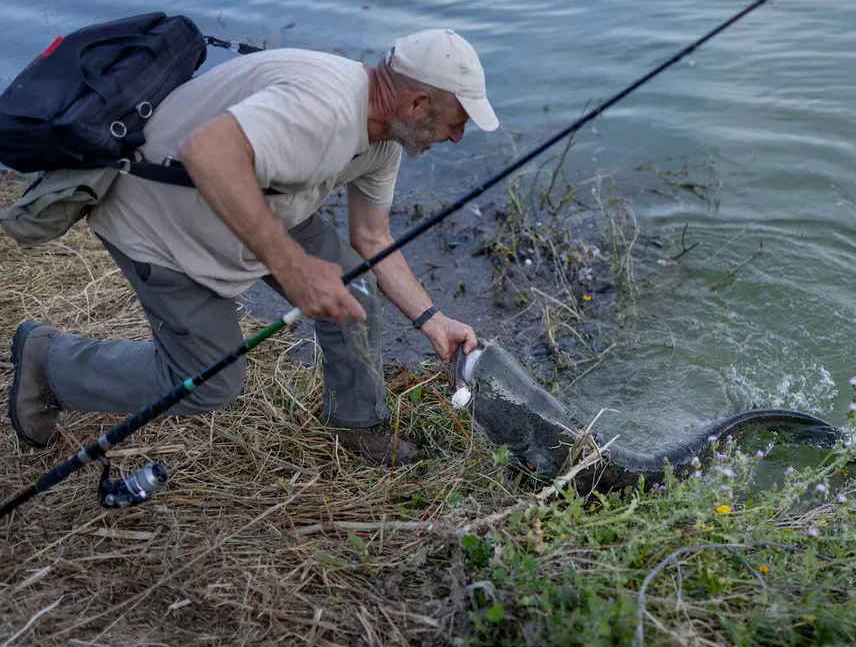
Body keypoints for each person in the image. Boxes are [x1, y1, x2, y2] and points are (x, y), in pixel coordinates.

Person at [7, 27, 498, 466]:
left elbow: (372, 238)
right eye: (454, 123)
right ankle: (49, 363)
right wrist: (293, 267)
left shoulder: (383, 139)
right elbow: (207, 152)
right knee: (208, 381)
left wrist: (433, 320)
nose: (455, 138)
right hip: (161, 219)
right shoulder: (321, 107)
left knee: (354, 290)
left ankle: (356, 420)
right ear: (415, 104)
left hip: (261, 200)